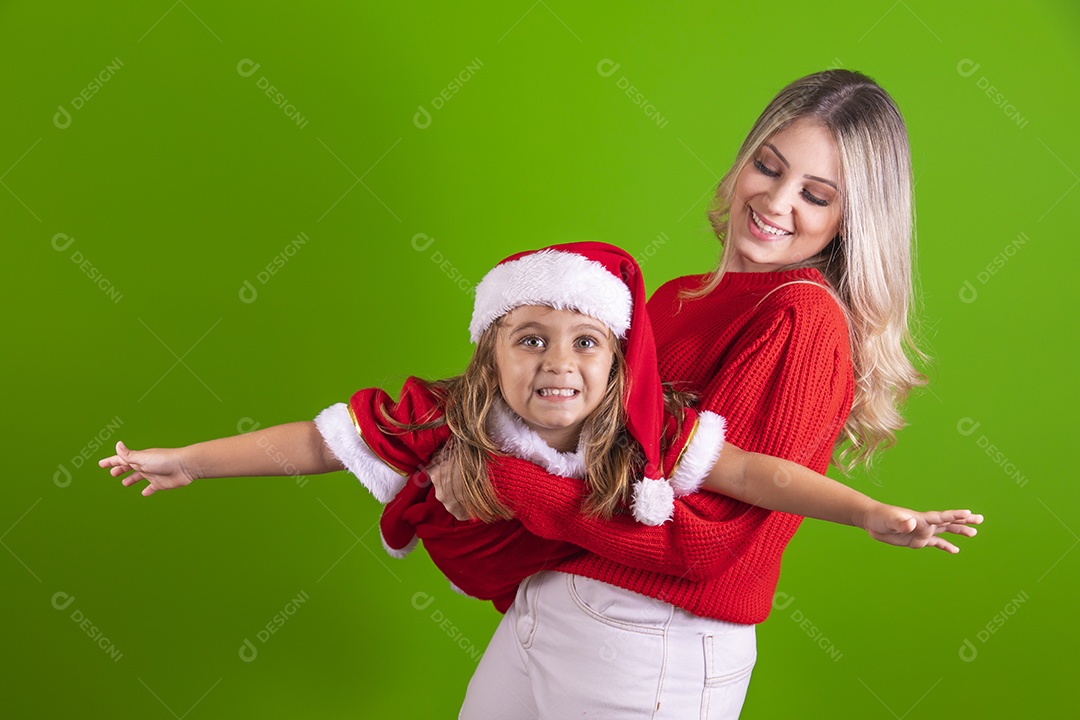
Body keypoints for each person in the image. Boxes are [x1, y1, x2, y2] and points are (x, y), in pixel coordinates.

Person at [429, 69, 950, 719]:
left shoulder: (799, 320)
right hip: (553, 608)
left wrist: (504, 483)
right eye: (768, 165)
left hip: (653, 641)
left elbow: (705, 542)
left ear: (851, 221)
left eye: (816, 195)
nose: (777, 201)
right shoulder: (674, 297)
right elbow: (582, 445)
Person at [99, 243, 976, 624]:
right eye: (531, 339)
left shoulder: (650, 428)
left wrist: (867, 511)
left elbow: (759, 475)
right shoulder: (448, 411)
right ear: (492, 354)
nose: (559, 364)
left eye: (585, 341)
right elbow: (319, 442)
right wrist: (188, 462)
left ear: (620, 359)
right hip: (527, 614)